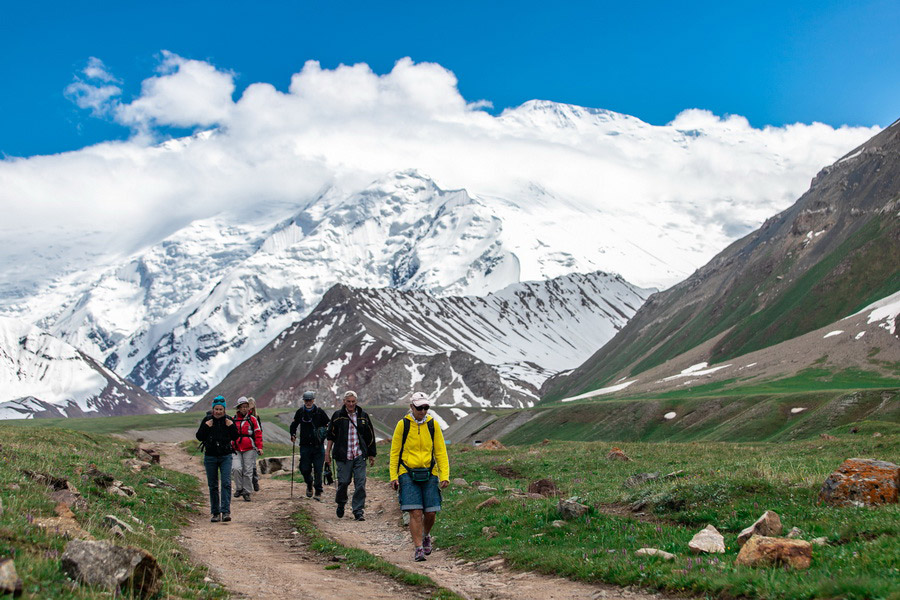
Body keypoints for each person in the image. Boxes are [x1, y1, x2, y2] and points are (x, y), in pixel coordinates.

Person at [389, 392, 450, 561]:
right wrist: (393, 475)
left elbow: (440, 452)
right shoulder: (403, 425)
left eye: (426, 408)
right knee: (415, 512)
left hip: (430, 472)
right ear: (412, 407)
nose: (423, 411)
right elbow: (394, 453)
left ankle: (426, 535)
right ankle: (418, 548)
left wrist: (444, 475)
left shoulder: (433, 425)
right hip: (407, 473)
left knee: (430, 513)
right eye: (419, 408)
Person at [325, 391, 377, 521]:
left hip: (359, 455)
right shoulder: (337, 416)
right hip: (343, 456)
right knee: (343, 482)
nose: (351, 404)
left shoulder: (363, 416)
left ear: (356, 402)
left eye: (353, 401)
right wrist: (327, 453)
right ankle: (341, 503)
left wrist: (371, 454)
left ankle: (358, 510)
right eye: (348, 401)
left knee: (360, 483)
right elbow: (331, 435)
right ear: (344, 402)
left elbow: (370, 436)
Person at [195, 395, 238, 523]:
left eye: (221, 409)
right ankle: (215, 513)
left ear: (224, 410)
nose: (218, 412)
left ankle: (225, 512)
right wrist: (206, 427)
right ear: (213, 409)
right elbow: (199, 436)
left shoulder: (229, 420)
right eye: (216, 409)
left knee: (226, 483)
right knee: (213, 485)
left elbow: (235, 437)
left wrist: (231, 426)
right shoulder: (207, 420)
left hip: (226, 456)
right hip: (210, 456)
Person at [289, 390, 330, 500]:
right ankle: (309, 483)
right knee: (304, 468)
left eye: (310, 400)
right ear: (304, 401)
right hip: (305, 446)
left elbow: (328, 424)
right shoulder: (300, 412)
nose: (308, 402)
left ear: (313, 400)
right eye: (306, 400)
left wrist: (326, 433)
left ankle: (318, 490)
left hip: (318, 446)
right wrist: (292, 434)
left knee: (318, 469)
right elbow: (294, 425)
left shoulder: (320, 412)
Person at [232, 396, 263, 502]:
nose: (244, 409)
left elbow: (258, 434)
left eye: (246, 406)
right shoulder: (233, 419)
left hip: (249, 448)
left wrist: (259, 447)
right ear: (238, 408)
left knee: (248, 470)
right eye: (242, 407)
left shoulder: (253, 419)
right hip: (236, 448)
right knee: (236, 468)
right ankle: (239, 488)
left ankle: (247, 491)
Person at [246, 397, 262, 492]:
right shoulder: (243, 417)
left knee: (252, 465)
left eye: (252, 408)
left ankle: (254, 481)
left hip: (253, 443)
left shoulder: (256, 417)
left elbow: (259, 430)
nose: (250, 410)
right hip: (245, 442)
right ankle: (250, 483)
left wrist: (258, 445)